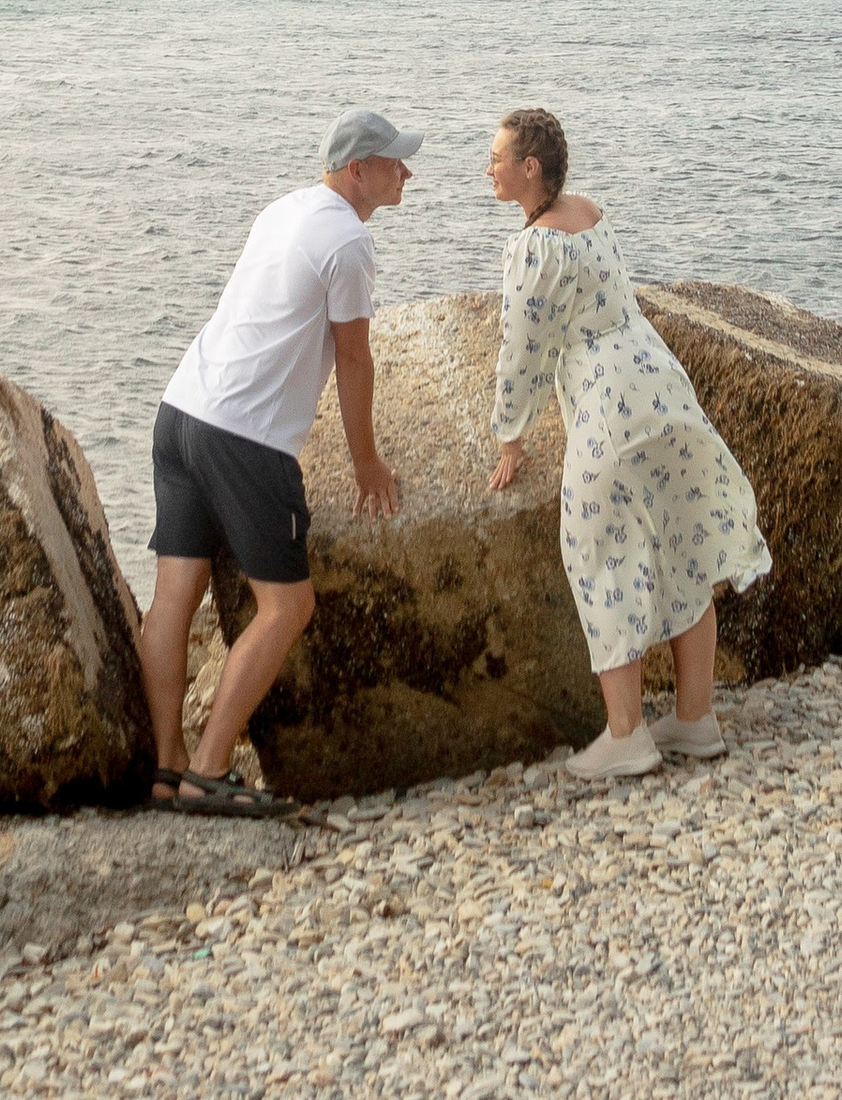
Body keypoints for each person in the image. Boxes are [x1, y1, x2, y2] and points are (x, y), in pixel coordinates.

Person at [139, 104, 418, 813]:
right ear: (359, 169)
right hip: (244, 437)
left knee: (175, 598)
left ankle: (165, 768)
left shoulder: (284, 210)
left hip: (181, 410)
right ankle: (208, 771)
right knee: (288, 605)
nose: (406, 173)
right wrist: (367, 464)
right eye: (394, 163)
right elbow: (354, 359)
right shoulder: (349, 245)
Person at [484, 104, 770, 781]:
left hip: (608, 405)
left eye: (496, 157)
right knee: (679, 540)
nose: (486, 168)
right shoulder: (590, 214)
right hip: (659, 382)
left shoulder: (536, 247)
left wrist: (511, 437)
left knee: (600, 552)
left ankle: (627, 735)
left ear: (529, 167)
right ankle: (695, 720)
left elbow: (523, 350)